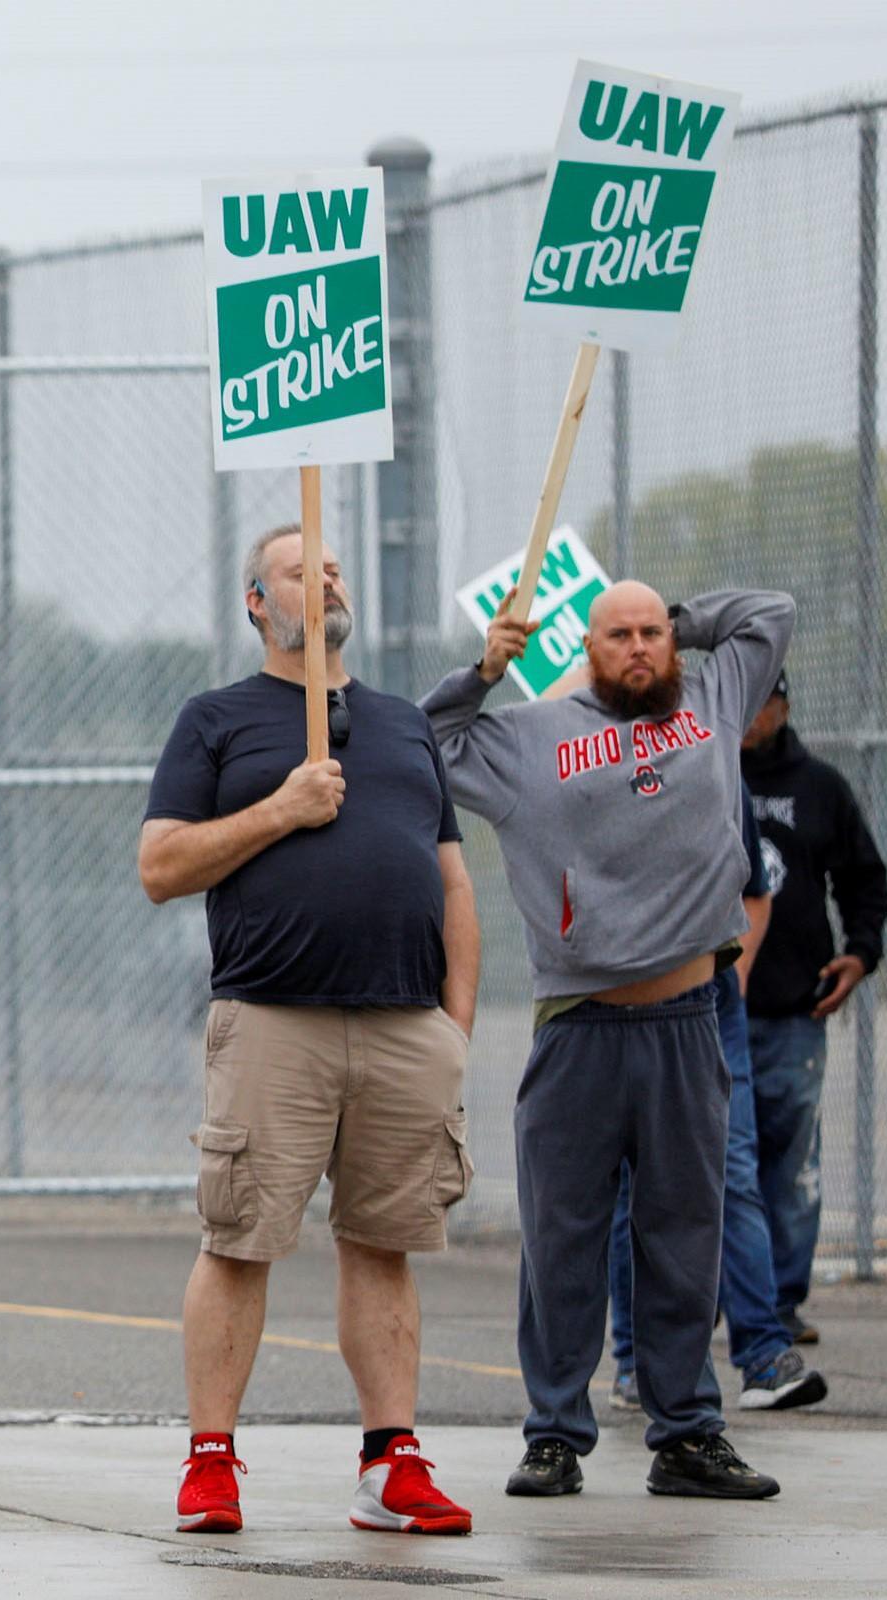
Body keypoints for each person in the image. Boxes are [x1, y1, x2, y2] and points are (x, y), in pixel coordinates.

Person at [137, 523, 479, 1538]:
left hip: (405, 1026)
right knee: (240, 1239)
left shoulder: (404, 725)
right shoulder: (218, 721)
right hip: (273, 1020)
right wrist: (281, 810)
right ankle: (211, 1462)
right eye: (300, 567)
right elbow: (160, 865)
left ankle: (392, 1461)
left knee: (385, 1243)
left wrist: (454, 1028)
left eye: (333, 565)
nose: (326, 575)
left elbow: (453, 880)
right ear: (257, 600)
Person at [425, 579, 793, 1503]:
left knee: (683, 1236)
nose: (639, 647)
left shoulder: (713, 701)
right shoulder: (534, 732)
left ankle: (687, 1431)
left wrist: (682, 612)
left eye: (652, 633)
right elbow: (424, 744)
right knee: (563, 1237)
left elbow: (771, 613)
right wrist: (483, 670)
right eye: (618, 634)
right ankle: (554, 1433)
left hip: (686, 1022)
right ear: (586, 647)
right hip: (580, 1025)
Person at [603, 789, 829, 1416]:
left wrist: (737, 972)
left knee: (734, 1170)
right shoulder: (599, 752)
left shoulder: (714, 757)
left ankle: (762, 1355)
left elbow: (754, 890)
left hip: (713, 994)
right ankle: (634, 1362)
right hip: (632, 988)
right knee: (633, 1182)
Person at [739, 673, 887, 1344]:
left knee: (791, 1161)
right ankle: (712, 1296)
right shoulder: (702, 772)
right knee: (706, 1161)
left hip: (795, 1010)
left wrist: (860, 953)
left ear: (783, 706)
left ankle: (780, 1300)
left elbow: (865, 878)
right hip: (710, 1009)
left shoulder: (819, 785)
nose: (745, 716)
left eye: (758, 703)